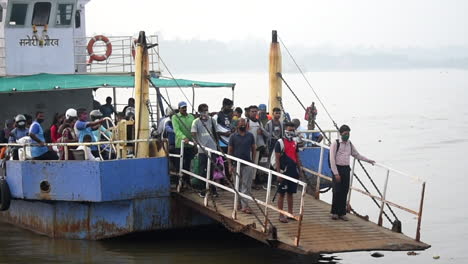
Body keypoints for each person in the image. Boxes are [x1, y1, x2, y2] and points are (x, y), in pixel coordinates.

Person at [329, 124, 375, 221]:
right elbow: (332, 159)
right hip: (338, 168)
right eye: (345, 133)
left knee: (345, 190)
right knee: (337, 191)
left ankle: (342, 212)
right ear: (341, 134)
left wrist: (368, 160)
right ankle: (334, 212)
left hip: (346, 169)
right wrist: (336, 173)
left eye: (348, 133)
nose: (347, 135)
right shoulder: (335, 143)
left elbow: (356, 155)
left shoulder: (349, 144)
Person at [276, 122, 304, 223]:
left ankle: (290, 213)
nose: (291, 132)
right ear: (285, 129)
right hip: (284, 171)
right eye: (290, 130)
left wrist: (300, 170)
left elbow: (297, 157)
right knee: (281, 193)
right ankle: (280, 214)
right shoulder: (280, 142)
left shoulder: (295, 142)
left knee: (291, 193)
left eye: (293, 130)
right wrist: (278, 173)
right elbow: (277, 159)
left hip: (293, 171)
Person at [228, 118, 256, 214]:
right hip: (236, 164)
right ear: (237, 125)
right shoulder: (233, 137)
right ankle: (238, 203)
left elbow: (253, 148)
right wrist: (230, 164)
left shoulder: (250, 135)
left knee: (245, 185)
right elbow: (230, 151)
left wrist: (253, 161)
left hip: (247, 163)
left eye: (244, 123)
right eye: (241, 123)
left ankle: (244, 206)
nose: (243, 125)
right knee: (237, 185)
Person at [191, 103, 220, 197]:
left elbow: (216, 133)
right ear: (199, 112)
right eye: (203, 111)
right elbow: (193, 133)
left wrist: (218, 145)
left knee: (213, 169)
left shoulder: (212, 120)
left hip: (213, 149)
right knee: (202, 170)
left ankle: (212, 189)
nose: (205, 112)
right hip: (202, 150)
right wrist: (196, 144)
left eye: (206, 110)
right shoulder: (196, 122)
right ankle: (203, 189)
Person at [172, 101, 196, 182]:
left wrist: (195, 139)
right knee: (179, 165)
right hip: (180, 145)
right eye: (182, 108)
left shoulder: (191, 117)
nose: (184, 109)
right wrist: (183, 137)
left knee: (188, 165)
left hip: (190, 145)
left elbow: (194, 129)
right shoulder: (175, 117)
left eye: (185, 107)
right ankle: (179, 183)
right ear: (179, 109)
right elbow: (176, 130)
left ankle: (187, 182)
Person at [246, 105, 267, 188]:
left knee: (254, 165)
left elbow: (263, 133)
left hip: (256, 147)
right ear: (249, 112)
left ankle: (252, 182)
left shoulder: (259, 122)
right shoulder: (246, 121)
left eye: (255, 111)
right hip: (247, 147)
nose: (254, 113)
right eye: (252, 111)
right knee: (246, 165)